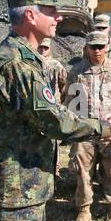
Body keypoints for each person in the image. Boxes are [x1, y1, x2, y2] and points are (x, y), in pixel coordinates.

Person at [0, 0, 111, 221]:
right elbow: (55, 121)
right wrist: (107, 128)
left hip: (23, 187)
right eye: (51, 10)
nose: (58, 17)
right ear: (30, 16)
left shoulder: (24, 58)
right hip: (17, 190)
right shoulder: (18, 64)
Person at [64, 31, 111, 221]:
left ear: (107, 46)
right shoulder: (76, 71)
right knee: (83, 173)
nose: (97, 50)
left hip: (110, 132)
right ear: (86, 47)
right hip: (85, 131)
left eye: (101, 46)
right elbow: (69, 102)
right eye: (93, 46)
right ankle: (84, 210)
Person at [38, 38, 68, 178]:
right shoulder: (33, 63)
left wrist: (60, 103)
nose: (43, 50)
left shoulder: (56, 65)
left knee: (54, 140)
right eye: (41, 47)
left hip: (53, 106)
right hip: (38, 107)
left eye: (45, 48)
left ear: (50, 49)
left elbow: (64, 85)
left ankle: (55, 171)